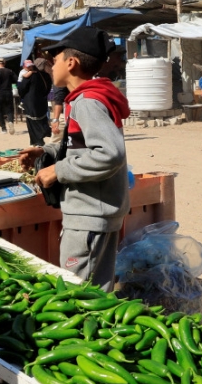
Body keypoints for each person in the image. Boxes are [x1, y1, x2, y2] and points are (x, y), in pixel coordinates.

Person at [18, 27, 131, 291]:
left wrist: (58, 170)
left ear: (71, 63)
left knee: (78, 292)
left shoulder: (87, 102)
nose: (50, 66)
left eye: (54, 60)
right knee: (96, 291)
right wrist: (46, 153)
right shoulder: (83, 99)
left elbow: (109, 153)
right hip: (93, 211)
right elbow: (80, 147)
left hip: (89, 213)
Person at [17, 58, 53, 146]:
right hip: (42, 101)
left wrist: (23, 97)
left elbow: (21, 89)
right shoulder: (46, 75)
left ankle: (37, 141)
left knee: (32, 122)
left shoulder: (29, 76)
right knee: (42, 118)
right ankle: (41, 136)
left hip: (31, 102)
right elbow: (48, 88)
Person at [0, 57, 17, 134]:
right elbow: (16, 80)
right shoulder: (10, 71)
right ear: (5, 63)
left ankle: (3, 128)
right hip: (8, 92)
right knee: (9, 110)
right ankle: (10, 121)